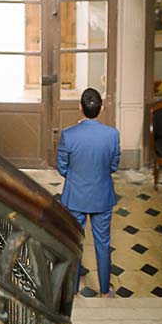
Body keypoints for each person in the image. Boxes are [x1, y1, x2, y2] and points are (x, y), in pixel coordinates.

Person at [56, 88, 121, 297]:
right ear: (101, 109)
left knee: (75, 243)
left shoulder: (69, 134)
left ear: (80, 107)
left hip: (75, 196)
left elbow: (61, 167)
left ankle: (72, 291)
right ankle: (104, 290)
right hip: (102, 195)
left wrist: (76, 177)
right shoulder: (112, 135)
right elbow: (113, 166)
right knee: (103, 243)